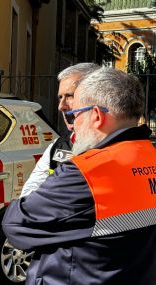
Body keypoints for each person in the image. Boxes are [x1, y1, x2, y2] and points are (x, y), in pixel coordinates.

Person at [3, 67, 156, 285]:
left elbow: (16, 223)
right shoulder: (152, 159)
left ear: (96, 115)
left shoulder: (89, 173)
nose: (71, 122)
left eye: (75, 114)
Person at [20, 62, 99, 197]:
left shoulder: (116, 149)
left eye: (70, 96)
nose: (61, 106)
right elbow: (29, 194)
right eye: (60, 97)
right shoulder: (57, 146)